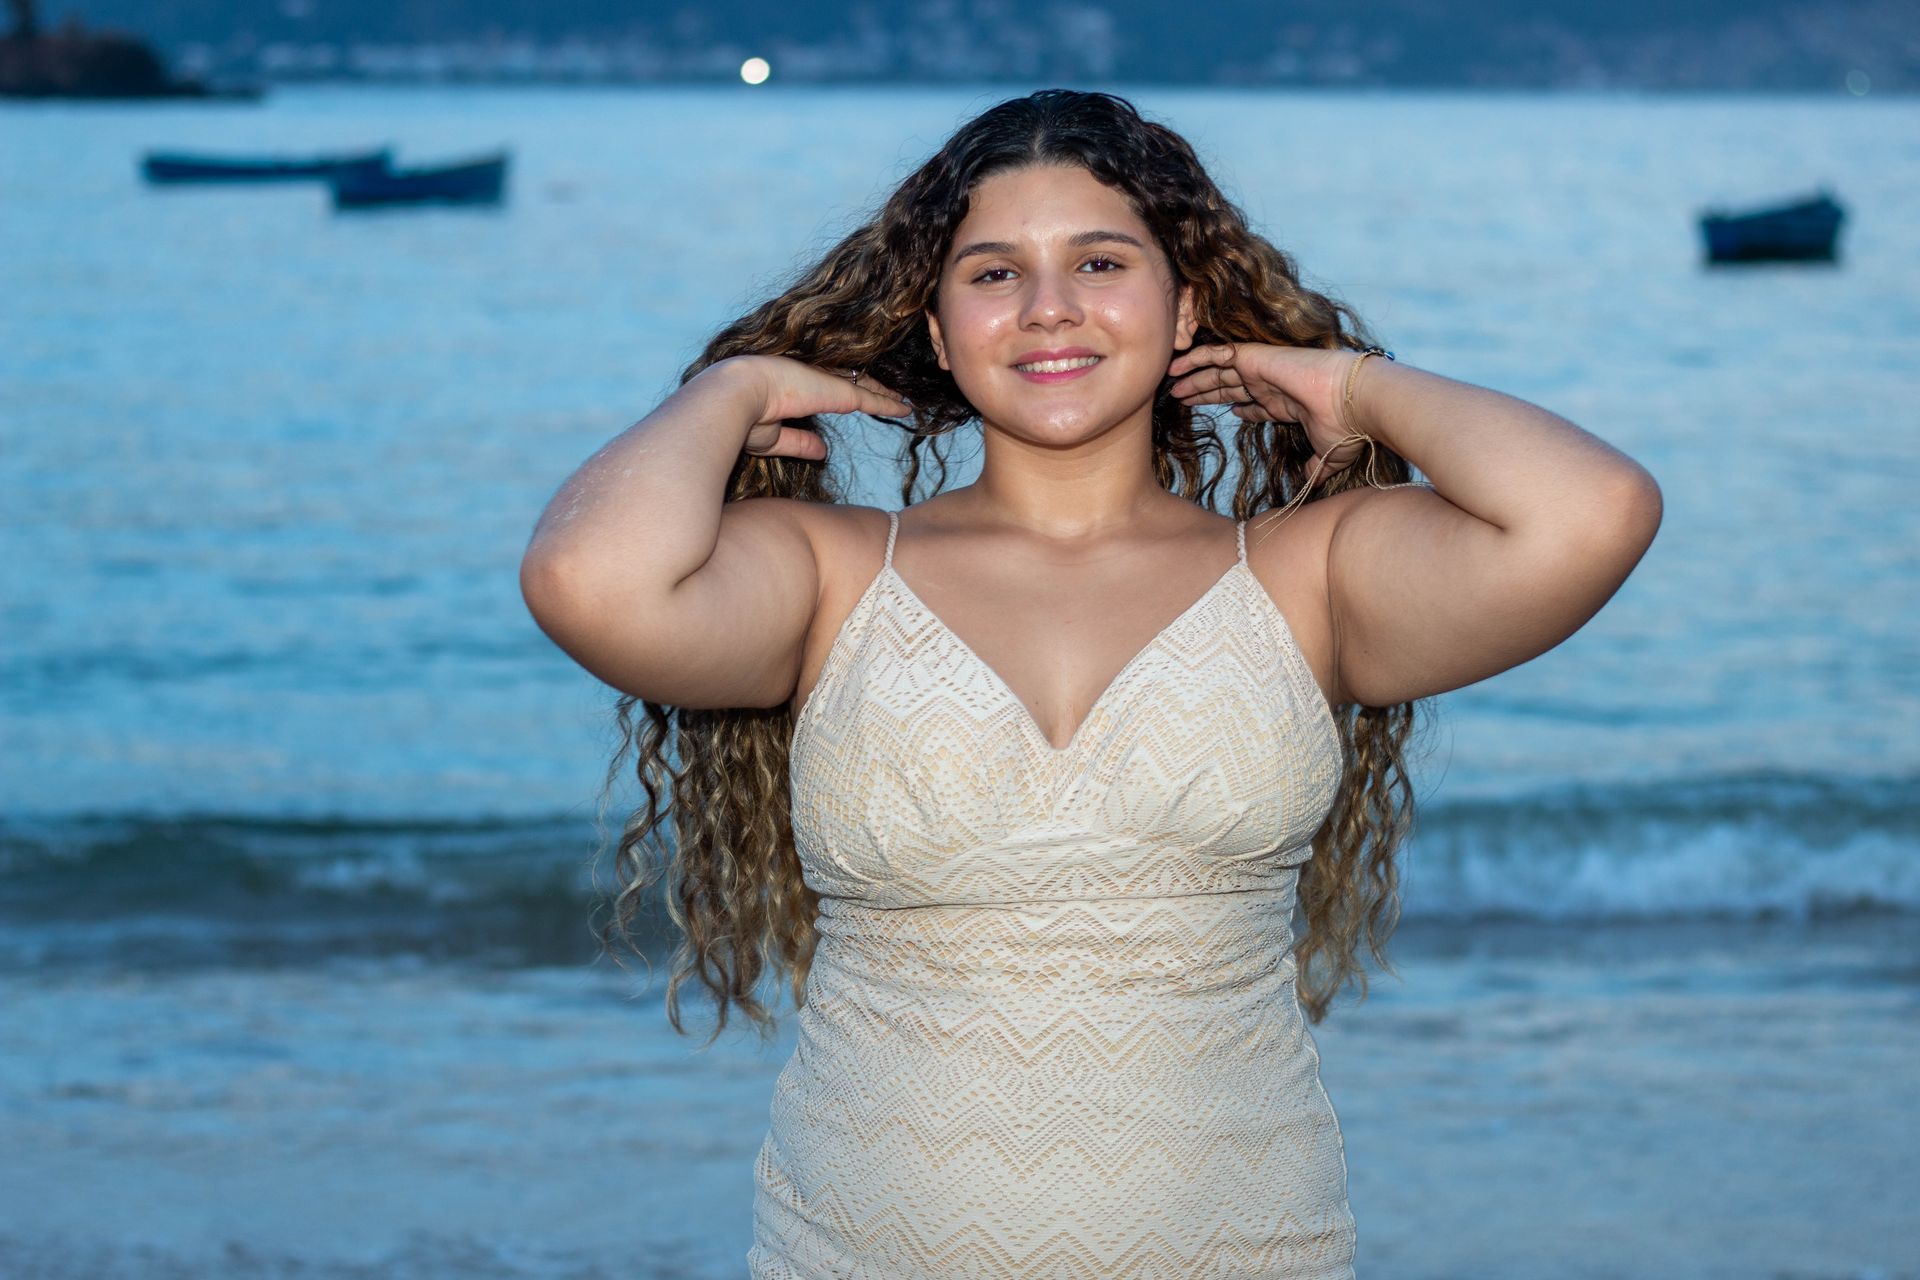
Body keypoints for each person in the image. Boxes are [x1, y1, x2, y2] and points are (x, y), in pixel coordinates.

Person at [519, 89, 1661, 1280]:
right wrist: (734, 392)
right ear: (937, 325)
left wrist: (1359, 389)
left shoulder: (1304, 574)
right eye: (994, 272)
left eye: (1102, 261)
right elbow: (588, 579)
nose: (1049, 306)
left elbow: (1594, 510)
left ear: (1184, 311)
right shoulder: (833, 571)